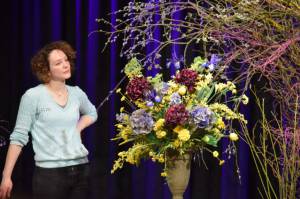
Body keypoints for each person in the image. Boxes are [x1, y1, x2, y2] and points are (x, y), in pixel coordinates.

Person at [0, 41, 98, 199]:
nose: (65, 65)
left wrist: (79, 127)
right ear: (47, 70)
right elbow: (19, 137)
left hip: (80, 170)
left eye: (66, 60)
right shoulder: (33, 96)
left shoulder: (77, 93)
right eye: (58, 63)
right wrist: (6, 176)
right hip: (49, 176)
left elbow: (92, 113)